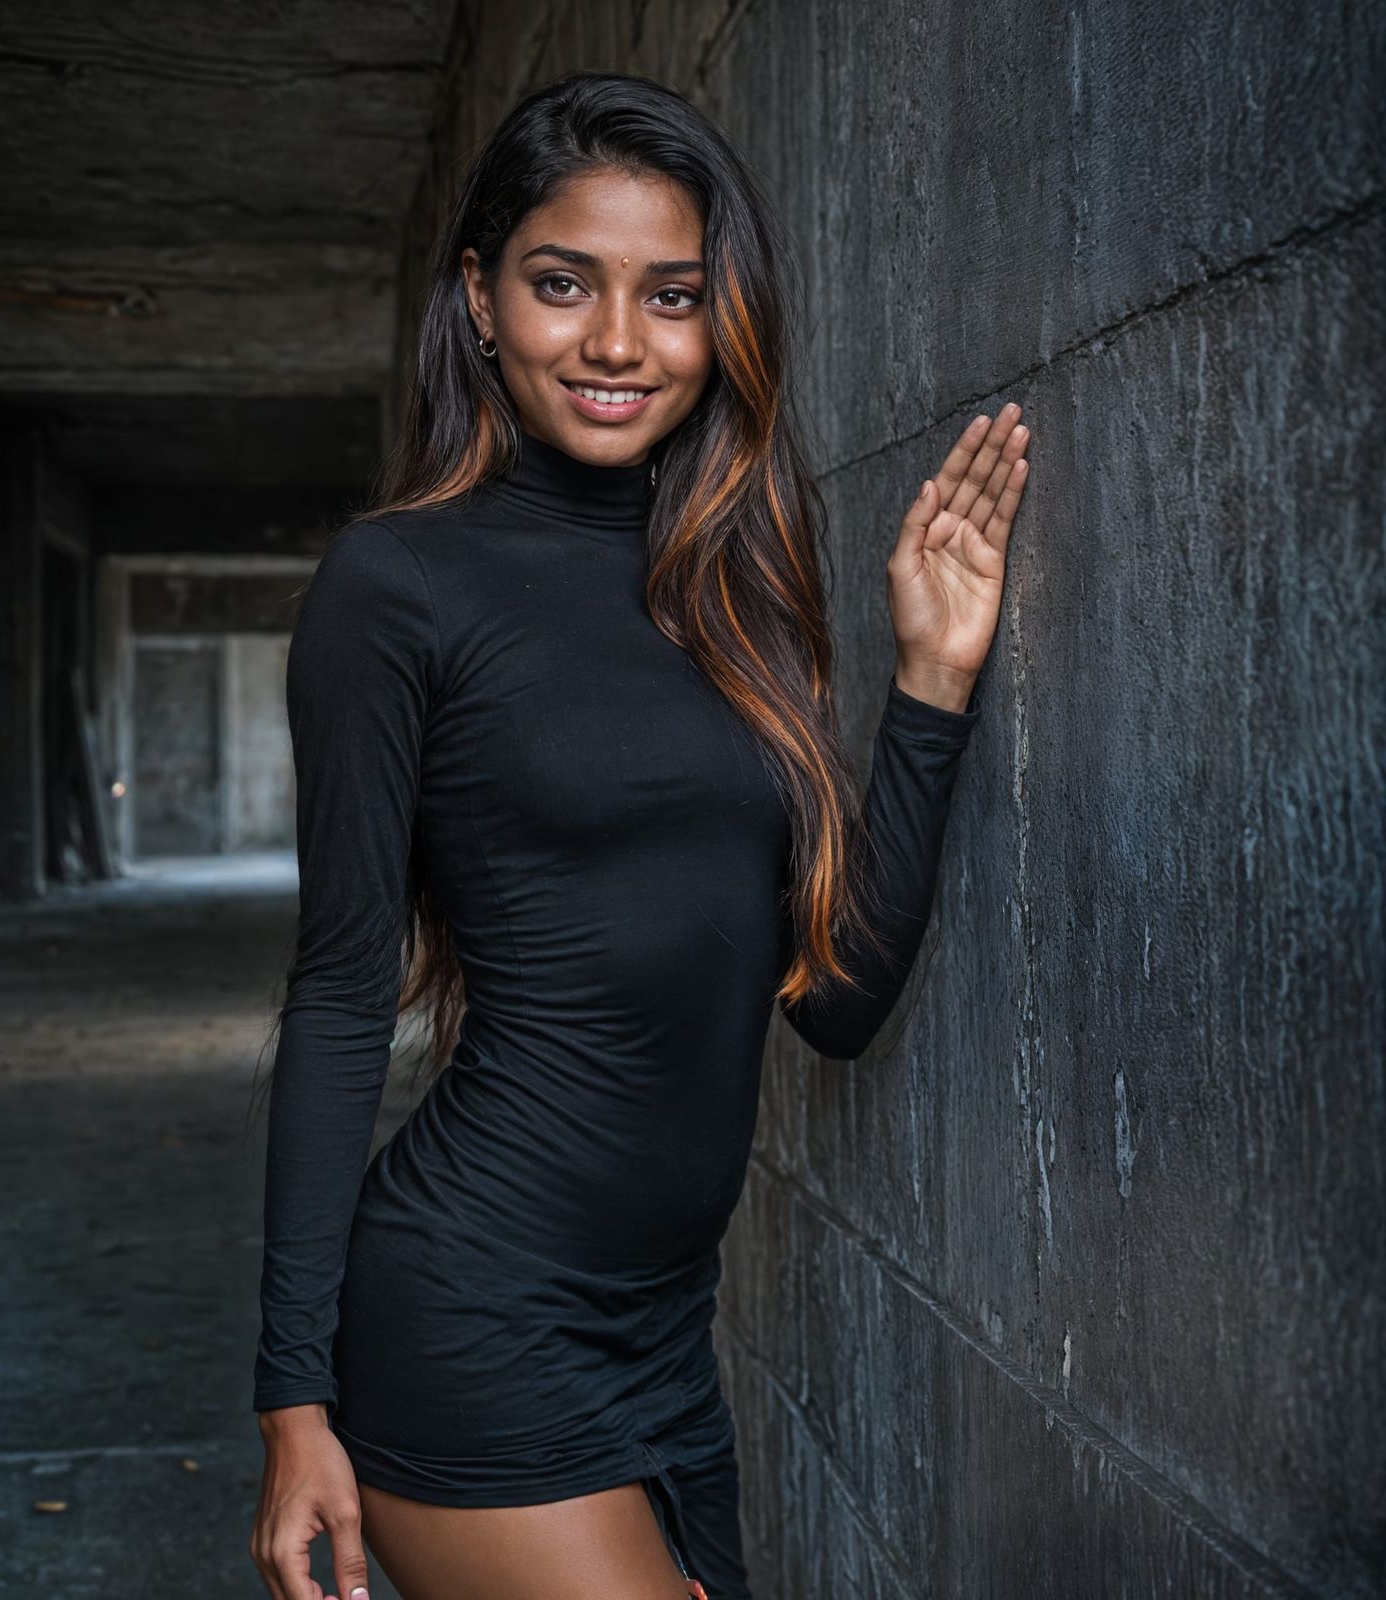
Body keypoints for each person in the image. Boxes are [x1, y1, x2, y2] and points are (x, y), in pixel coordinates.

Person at [248, 69, 1030, 1600]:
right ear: (481, 299)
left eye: (671, 296)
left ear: (721, 321)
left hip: (666, 1337)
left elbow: (836, 1001)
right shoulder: (395, 587)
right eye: (563, 284)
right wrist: (291, 1401)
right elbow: (339, 994)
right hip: (472, 1315)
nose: (618, 342)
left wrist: (933, 682)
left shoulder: (732, 591)